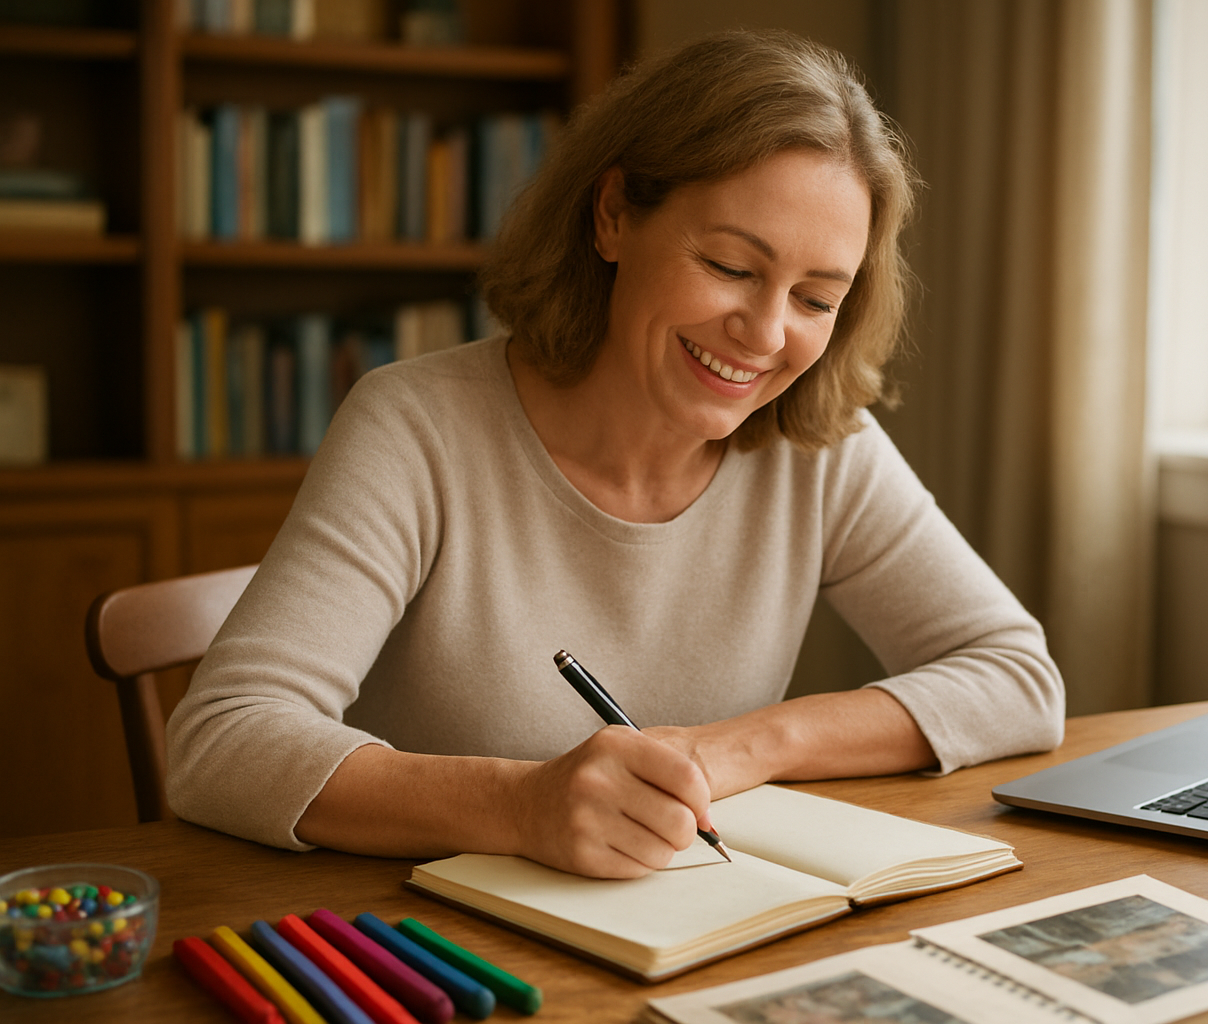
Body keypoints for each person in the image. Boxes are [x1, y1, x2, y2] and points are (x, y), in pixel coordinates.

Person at [165, 29, 1065, 879]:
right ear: (612, 216)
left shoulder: (820, 444)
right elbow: (224, 739)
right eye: (731, 266)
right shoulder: (419, 425)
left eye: (816, 298)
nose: (764, 333)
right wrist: (521, 805)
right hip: (434, 950)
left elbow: (1018, 679)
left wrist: (734, 747)